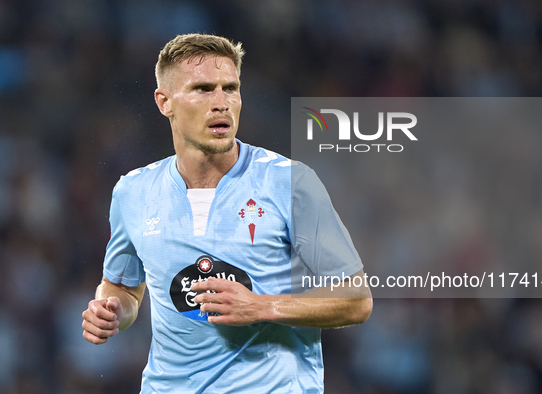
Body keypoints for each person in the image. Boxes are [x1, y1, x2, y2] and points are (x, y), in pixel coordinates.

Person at [81, 33, 372, 393]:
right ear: (164, 101)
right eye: (203, 89)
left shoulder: (290, 182)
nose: (221, 103)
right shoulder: (133, 192)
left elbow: (356, 300)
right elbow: (123, 288)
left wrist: (263, 307)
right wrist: (109, 311)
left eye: (230, 88)